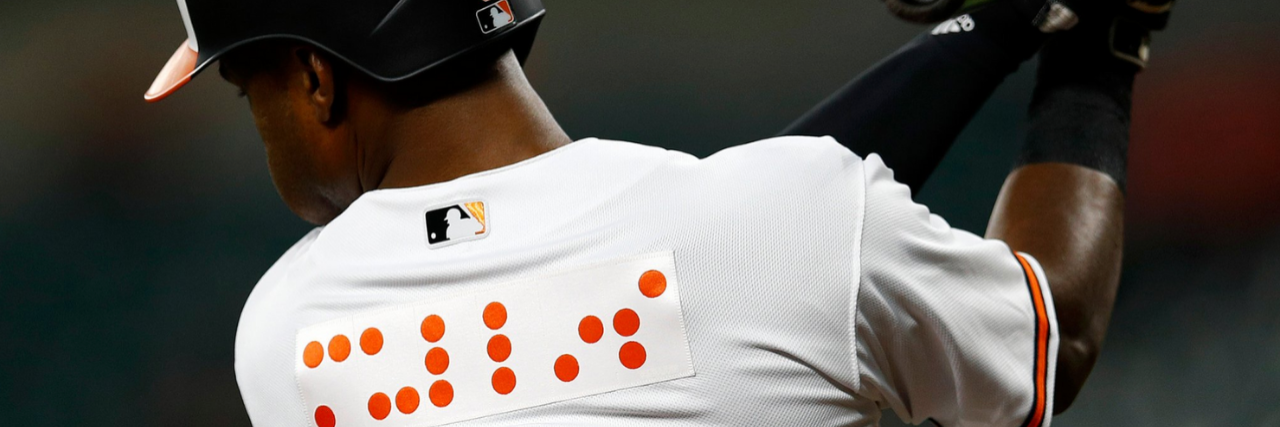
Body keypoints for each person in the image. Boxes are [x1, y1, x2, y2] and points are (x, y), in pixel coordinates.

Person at [143, 0, 1169, 425]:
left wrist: (983, 33)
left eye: (253, 91)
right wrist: (1094, 49)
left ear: (319, 83)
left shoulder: (287, 336)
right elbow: (1049, 335)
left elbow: (698, 245)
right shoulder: (786, 223)